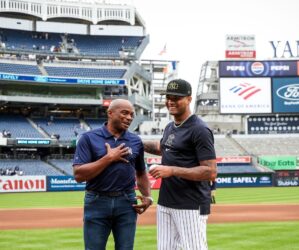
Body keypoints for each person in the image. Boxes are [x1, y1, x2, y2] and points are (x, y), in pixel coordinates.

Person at [143, 79, 217, 250]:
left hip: (191, 203)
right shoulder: (170, 126)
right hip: (166, 201)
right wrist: (137, 143)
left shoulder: (200, 129)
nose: (170, 101)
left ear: (189, 99)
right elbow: (163, 148)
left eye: (176, 98)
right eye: (168, 97)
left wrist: (172, 170)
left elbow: (210, 172)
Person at [73, 99, 153, 250]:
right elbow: (78, 175)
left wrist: (148, 196)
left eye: (131, 114)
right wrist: (109, 158)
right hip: (97, 201)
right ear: (110, 113)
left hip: (127, 201)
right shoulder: (89, 138)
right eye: (124, 113)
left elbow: (141, 173)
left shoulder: (135, 141)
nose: (129, 117)